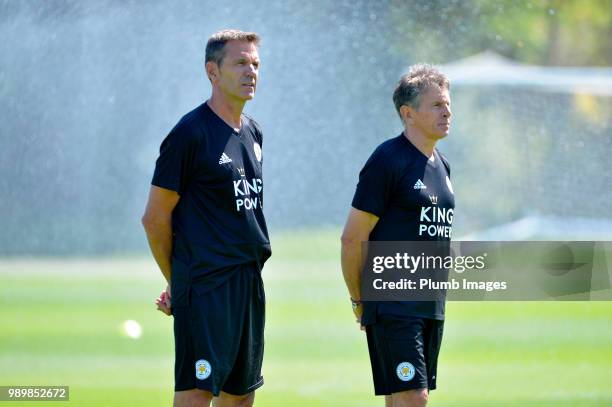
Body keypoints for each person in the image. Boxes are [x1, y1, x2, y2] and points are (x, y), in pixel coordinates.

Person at [141, 29, 270, 407]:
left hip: (248, 282)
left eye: (256, 64)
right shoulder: (189, 134)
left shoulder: (253, 132)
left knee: (241, 396)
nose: (251, 72)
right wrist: (180, 281)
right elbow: (154, 218)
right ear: (212, 72)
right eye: (241, 63)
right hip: (207, 284)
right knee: (197, 394)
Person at [341, 64, 455, 407]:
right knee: (413, 397)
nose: (447, 111)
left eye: (448, 103)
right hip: (394, 303)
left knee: (404, 398)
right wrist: (359, 300)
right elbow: (351, 238)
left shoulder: (442, 164)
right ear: (408, 113)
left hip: (429, 304)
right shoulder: (387, 160)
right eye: (436, 105)